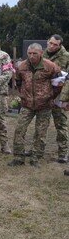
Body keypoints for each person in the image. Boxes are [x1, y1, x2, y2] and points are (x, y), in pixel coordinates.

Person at [8, 43, 61, 167]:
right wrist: (23, 95)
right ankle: (18, 157)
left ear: (41, 53)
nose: (31, 56)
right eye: (29, 53)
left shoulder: (50, 66)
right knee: (19, 130)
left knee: (40, 133)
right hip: (27, 105)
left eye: (35, 53)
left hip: (45, 105)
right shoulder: (22, 66)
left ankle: (36, 158)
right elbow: (19, 82)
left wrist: (50, 96)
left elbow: (58, 84)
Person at [42, 34, 69, 163]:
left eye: (55, 45)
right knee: (41, 124)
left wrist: (65, 98)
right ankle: (38, 150)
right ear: (47, 42)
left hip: (59, 96)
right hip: (44, 95)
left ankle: (63, 153)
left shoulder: (66, 57)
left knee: (61, 126)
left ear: (60, 46)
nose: (52, 46)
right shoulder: (41, 55)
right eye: (50, 43)